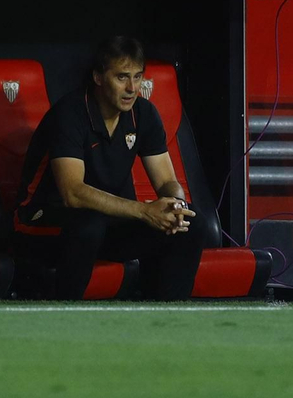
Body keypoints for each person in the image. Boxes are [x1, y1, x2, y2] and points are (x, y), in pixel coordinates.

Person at [13, 37, 203, 300]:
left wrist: (176, 206)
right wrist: (143, 210)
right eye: (122, 77)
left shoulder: (144, 113)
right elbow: (73, 193)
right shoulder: (70, 114)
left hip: (107, 223)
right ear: (98, 77)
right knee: (89, 223)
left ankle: (167, 319)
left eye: (138, 77)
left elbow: (166, 181)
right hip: (43, 223)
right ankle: (64, 315)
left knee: (191, 225)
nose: (132, 88)